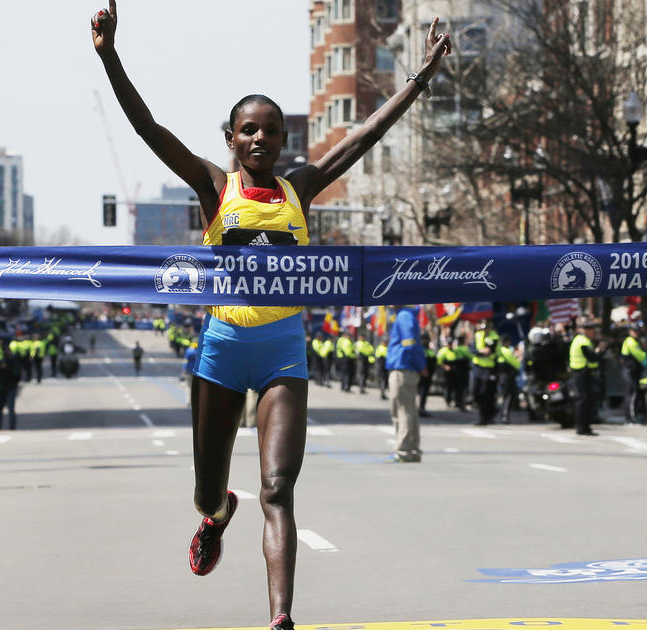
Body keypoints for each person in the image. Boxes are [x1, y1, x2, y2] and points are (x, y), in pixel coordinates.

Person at [92, 2, 451, 626]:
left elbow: (363, 135)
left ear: (285, 141)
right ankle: (215, 513)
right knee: (209, 491)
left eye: (272, 131)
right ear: (230, 139)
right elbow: (149, 129)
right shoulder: (214, 187)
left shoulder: (300, 190)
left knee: (279, 489)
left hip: (284, 348)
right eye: (249, 131)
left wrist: (421, 76)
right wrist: (110, 56)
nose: (261, 139)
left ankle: (280, 619)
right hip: (222, 349)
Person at [386, 306, 426, 463]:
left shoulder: (403, 316)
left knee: (401, 410)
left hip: (402, 367)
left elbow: (409, 344)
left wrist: (419, 364)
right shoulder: (406, 315)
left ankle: (404, 450)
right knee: (408, 410)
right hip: (407, 367)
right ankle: (412, 449)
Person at [568, 320, 604, 436]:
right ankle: (581, 427)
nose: (593, 333)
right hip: (582, 373)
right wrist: (599, 351)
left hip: (582, 373)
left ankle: (585, 427)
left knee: (586, 400)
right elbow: (592, 358)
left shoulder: (581, 340)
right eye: (592, 330)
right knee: (583, 401)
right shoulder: (583, 341)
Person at [620, 325, 647, 424]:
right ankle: (630, 417)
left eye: (637, 331)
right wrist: (644, 352)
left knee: (631, 394)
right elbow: (641, 356)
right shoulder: (631, 341)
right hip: (630, 372)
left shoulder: (633, 341)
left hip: (632, 371)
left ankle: (630, 416)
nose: (636, 333)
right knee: (631, 394)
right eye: (634, 331)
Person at [0, 331, 21, 431]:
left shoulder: (12, 358)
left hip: (10, 386)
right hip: (0, 385)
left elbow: (17, 374)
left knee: (10, 407)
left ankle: (12, 426)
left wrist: (7, 368)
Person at [496, 335, 520, 424]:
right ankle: (504, 416)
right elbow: (516, 364)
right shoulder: (505, 351)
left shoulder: (499, 351)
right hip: (508, 377)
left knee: (506, 396)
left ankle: (503, 415)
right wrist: (518, 360)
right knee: (508, 397)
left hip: (503, 377)